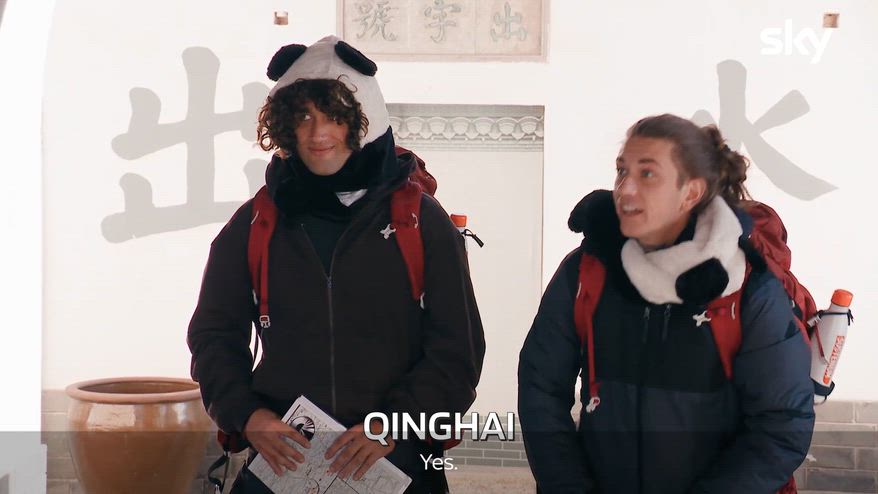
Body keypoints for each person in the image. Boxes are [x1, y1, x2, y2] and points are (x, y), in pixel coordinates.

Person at [187, 35, 485, 493]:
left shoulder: (419, 221)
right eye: (303, 116)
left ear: (365, 120)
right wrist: (248, 416)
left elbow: (458, 349)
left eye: (335, 116)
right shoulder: (256, 223)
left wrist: (396, 423)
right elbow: (214, 335)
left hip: (397, 464)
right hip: (285, 462)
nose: (318, 133)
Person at [518, 114, 814, 493]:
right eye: (621, 171)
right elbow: (541, 387)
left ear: (690, 192)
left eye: (647, 174)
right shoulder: (586, 271)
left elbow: (782, 423)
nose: (625, 189)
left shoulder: (747, 286)